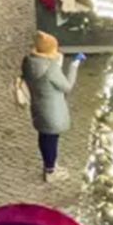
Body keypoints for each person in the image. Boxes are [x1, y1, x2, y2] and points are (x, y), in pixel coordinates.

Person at [21, 31, 82, 180]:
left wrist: (55, 63)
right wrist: (74, 65)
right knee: (52, 139)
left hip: (39, 108)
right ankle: (51, 171)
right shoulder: (51, 69)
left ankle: (49, 165)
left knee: (44, 137)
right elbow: (67, 87)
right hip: (53, 111)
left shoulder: (29, 62)